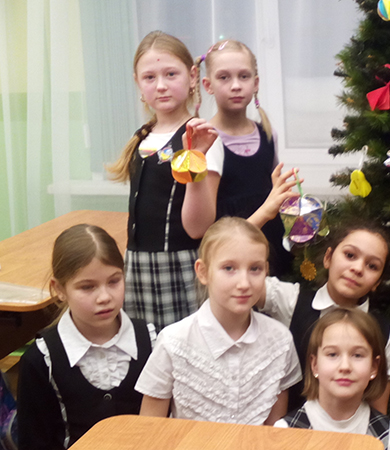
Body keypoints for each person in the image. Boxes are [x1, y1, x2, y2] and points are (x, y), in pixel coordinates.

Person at [135, 217, 301, 425]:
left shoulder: (280, 341)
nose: (244, 283)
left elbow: (274, 430)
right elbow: (149, 428)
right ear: (203, 272)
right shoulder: (173, 341)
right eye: (229, 268)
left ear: (266, 270)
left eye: (255, 269)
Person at [107, 30, 220, 330]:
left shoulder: (202, 137)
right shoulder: (143, 136)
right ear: (138, 83)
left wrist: (195, 156)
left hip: (181, 267)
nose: (160, 85)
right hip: (137, 267)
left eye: (171, 74)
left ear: (192, 76)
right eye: (149, 77)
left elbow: (198, 227)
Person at [18, 224, 154, 450]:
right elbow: (33, 442)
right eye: (88, 287)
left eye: (114, 281)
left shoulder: (152, 341)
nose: (104, 297)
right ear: (59, 289)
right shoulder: (41, 360)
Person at [257, 223, 390, 413]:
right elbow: (231, 271)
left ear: (377, 282)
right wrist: (265, 214)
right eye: (350, 255)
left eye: (372, 266)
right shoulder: (290, 300)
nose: (358, 268)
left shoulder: (384, 332)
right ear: (328, 258)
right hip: (291, 427)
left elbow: (378, 413)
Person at [185, 39, 296, 277]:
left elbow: (273, 192)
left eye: (244, 76)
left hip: (271, 249)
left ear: (255, 83)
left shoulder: (267, 133)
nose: (235, 85)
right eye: (224, 77)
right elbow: (206, 224)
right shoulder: (207, 141)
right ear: (208, 85)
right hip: (232, 257)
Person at [275, 308, 390, 450]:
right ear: (315, 365)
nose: (345, 366)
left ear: (374, 367)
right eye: (332, 354)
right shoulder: (285, 432)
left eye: (357, 355)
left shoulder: (389, 436)